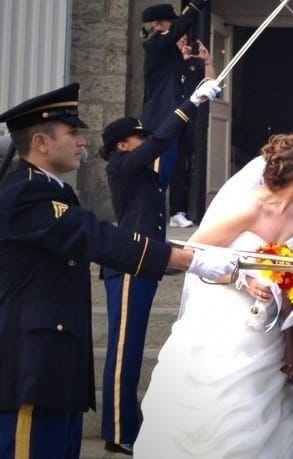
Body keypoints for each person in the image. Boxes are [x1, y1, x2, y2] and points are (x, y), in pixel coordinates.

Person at [0, 84, 236, 459]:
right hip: (31, 365)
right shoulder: (27, 193)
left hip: (53, 365)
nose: (83, 141)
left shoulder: (52, 190)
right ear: (42, 143)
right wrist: (190, 259)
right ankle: (120, 428)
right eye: (73, 132)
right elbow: (96, 236)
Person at [133, 133, 293, 458]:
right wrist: (240, 277)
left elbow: (290, 280)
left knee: (267, 410)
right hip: (224, 320)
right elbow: (190, 254)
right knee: (217, 407)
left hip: (267, 330)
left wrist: (289, 343)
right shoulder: (247, 207)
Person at [97, 79, 220, 454]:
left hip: (144, 263)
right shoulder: (122, 165)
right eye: (139, 138)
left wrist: (195, 98)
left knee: (132, 349)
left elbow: (165, 144)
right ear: (122, 145)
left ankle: (126, 425)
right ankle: (118, 431)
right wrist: (190, 102)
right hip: (128, 265)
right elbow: (160, 140)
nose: (146, 142)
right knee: (124, 350)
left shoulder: (142, 172)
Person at [140, 2, 208, 200]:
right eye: (171, 22)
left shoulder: (166, 48)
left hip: (171, 117)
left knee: (170, 169)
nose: (175, 28)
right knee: (157, 174)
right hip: (160, 119)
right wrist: (197, 5)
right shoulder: (155, 44)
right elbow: (180, 28)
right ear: (157, 25)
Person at [168, 37, 216, 228]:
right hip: (169, 118)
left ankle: (183, 211)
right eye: (178, 40)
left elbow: (211, 84)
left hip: (190, 119)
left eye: (184, 40)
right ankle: (170, 211)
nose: (183, 43)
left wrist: (207, 61)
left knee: (186, 164)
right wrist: (178, 58)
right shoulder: (167, 62)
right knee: (171, 165)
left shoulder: (194, 64)